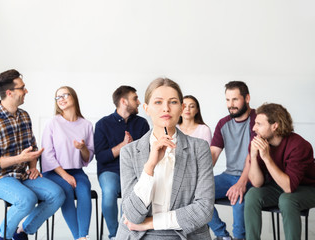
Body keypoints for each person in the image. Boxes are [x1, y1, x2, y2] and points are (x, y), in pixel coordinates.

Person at [116, 77, 215, 239]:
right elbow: (132, 216)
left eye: (173, 102)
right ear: (146, 108)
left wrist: (151, 223)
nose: (166, 108)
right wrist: (149, 166)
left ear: (182, 108)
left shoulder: (199, 148)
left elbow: (204, 209)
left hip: (184, 235)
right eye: (158, 102)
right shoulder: (129, 152)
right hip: (138, 236)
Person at [0, 69, 65, 240]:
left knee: (57, 194)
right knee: (27, 199)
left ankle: (21, 232)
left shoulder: (24, 116)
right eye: (22, 88)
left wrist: (32, 166)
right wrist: (20, 159)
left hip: (21, 174)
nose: (26, 91)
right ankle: (2, 235)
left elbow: (31, 146)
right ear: (9, 93)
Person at [244, 103, 315, 240]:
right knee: (252, 194)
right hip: (280, 185)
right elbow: (257, 183)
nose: (254, 128)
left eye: (259, 124)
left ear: (274, 126)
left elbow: (288, 187)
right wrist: (253, 156)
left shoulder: (299, 146)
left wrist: (266, 157)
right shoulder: (260, 143)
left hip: (309, 188)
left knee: (287, 199)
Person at [94, 85, 150, 239]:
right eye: (135, 98)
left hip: (134, 171)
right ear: (124, 101)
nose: (139, 102)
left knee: (131, 196)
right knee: (109, 192)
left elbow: (147, 154)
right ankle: (114, 235)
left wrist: (132, 148)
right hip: (110, 171)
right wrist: (122, 147)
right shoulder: (102, 124)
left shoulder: (142, 124)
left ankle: (126, 235)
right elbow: (101, 157)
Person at [41, 86, 94, 240]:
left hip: (76, 171)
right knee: (67, 191)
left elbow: (88, 158)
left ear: (74, 97)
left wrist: (83, 148)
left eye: (65, 95)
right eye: (58, 97)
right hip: (54, 171)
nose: (61, 99)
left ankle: (83, 236)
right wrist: (65, 176)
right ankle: (79, 237)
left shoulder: (87, 125)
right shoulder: (52, 123)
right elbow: (47, 155)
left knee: (84, 190)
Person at [208, 81, 256, 240]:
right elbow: (213, 154)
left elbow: (253, 155)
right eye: (228, 100)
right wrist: (199, 178)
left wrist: (241, 183)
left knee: (239, 199)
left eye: (235, 99)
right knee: (197, 193)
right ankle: (222, 235)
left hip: (252, 177)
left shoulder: (258, 120)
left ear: (247, 98)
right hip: (228, 175)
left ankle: (239, 237)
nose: (231, 105)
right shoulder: (223, 123)